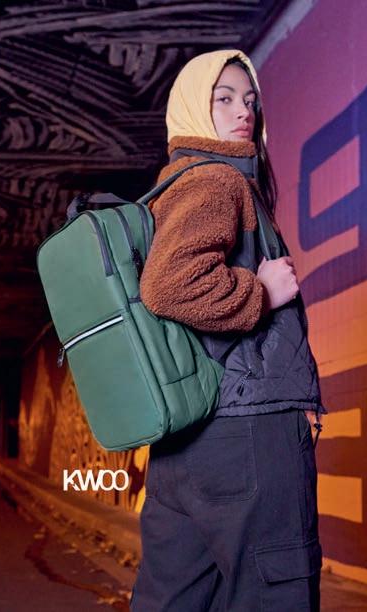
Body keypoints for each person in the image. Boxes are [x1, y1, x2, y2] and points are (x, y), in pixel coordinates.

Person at [130, 49, 327, 612]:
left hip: (184, 445)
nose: (243, 111)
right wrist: (260, 293)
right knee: (274, 594)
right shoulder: (217, 180)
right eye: (223, 99)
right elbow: (169, 286)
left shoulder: (174, 186)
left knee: (172, 599)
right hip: (247, 435)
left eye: (249, 100)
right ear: (195, 108)